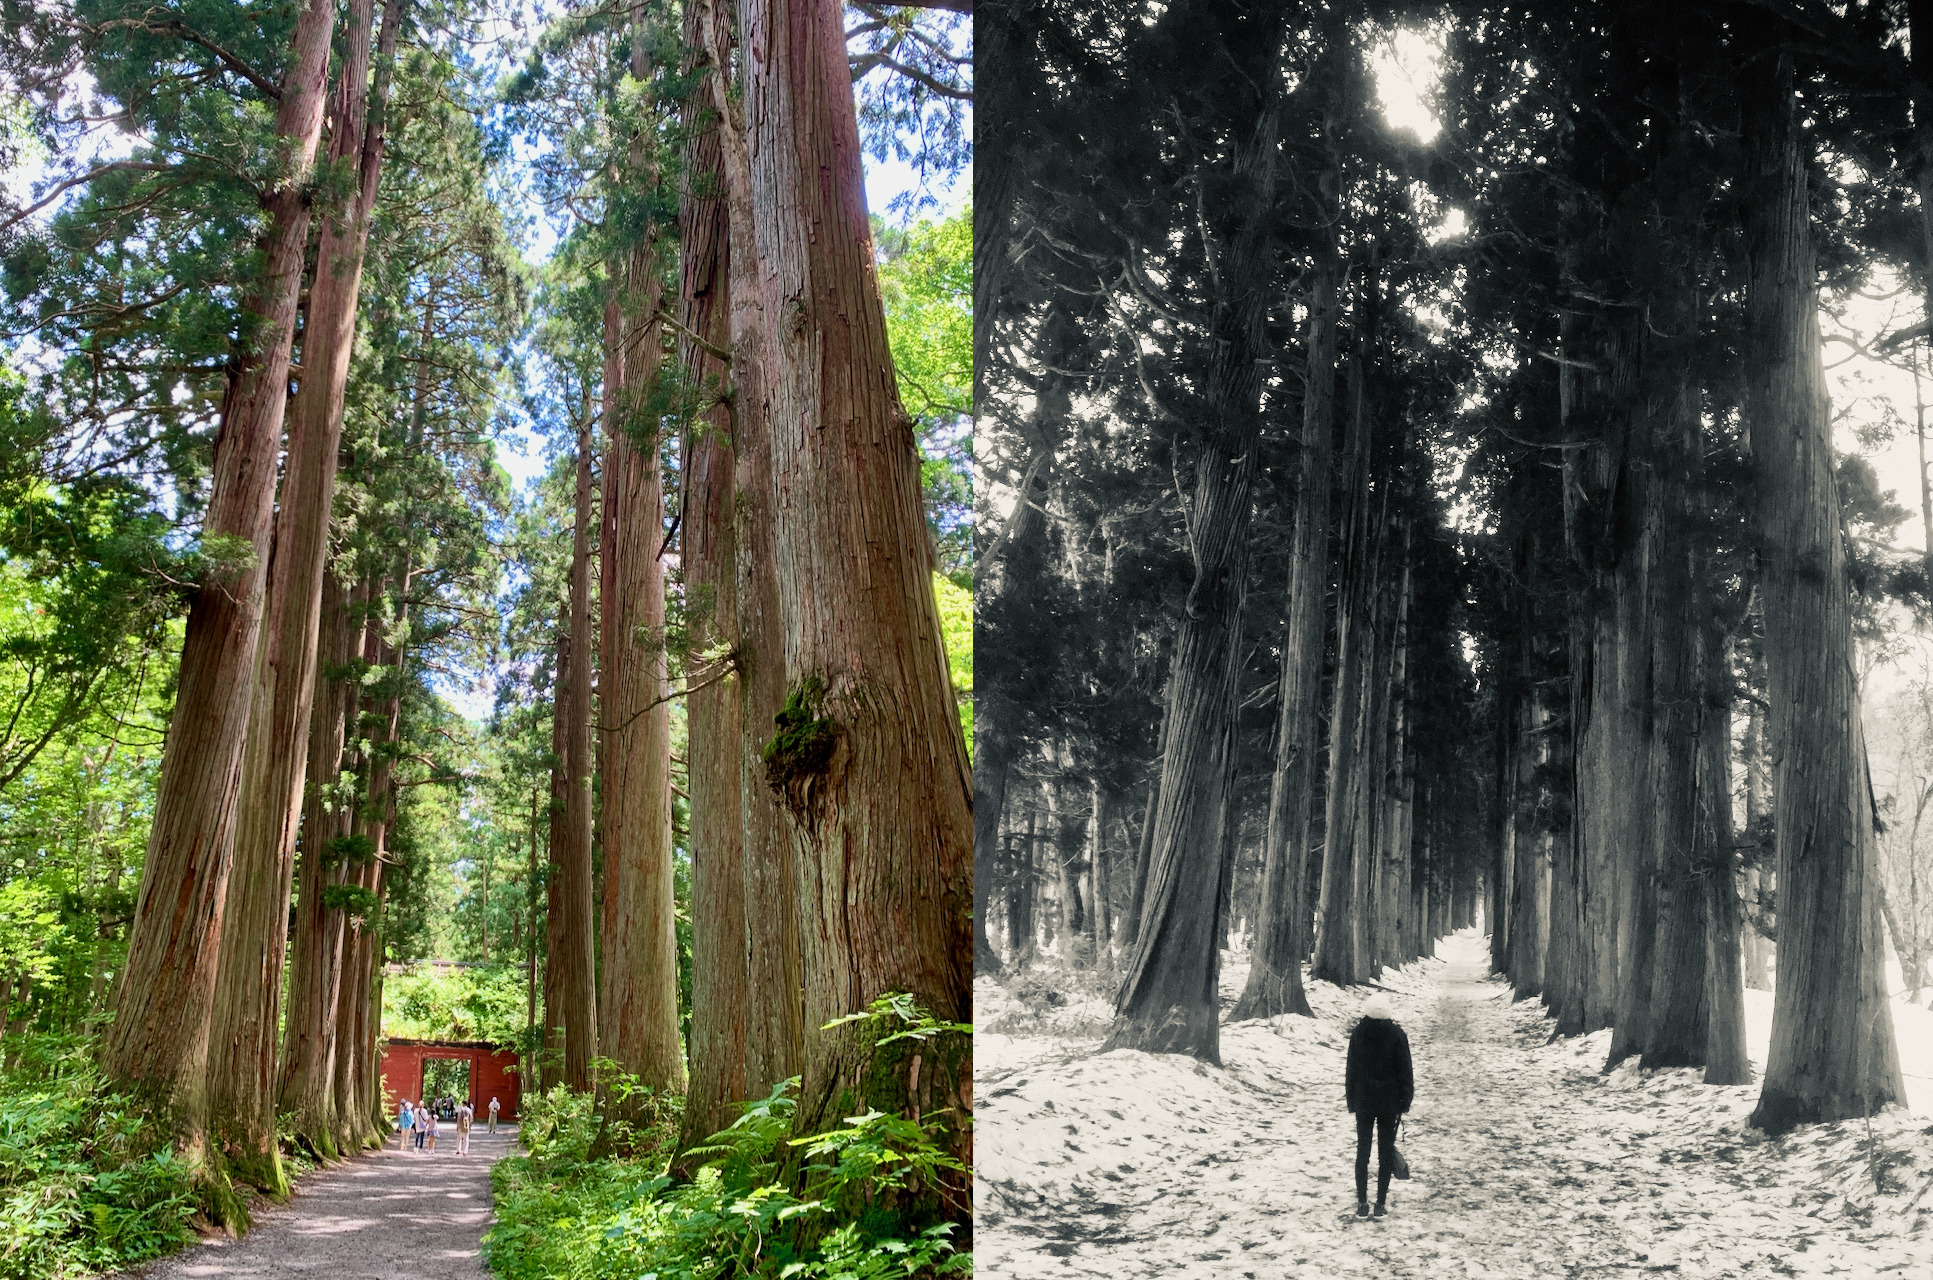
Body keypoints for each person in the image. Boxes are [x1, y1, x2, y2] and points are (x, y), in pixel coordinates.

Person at [1344, 991, 1413, 1219]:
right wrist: (1406, 1101)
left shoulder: (1358, 1035)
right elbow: (1406, 1071)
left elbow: (1351, 1070)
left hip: (1364, 1101)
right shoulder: (1397, 1035)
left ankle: (1362, 1203)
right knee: (1385, 1152)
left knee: (1362, 1152)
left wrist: (1351, 1100)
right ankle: (1380, 1203)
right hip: (1389, 1103)